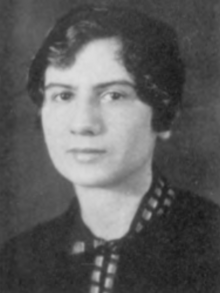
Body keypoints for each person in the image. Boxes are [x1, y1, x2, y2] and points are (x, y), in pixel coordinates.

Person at [0, 4, 220, 293]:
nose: (83, 124)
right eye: (63, 95)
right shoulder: (16, 260)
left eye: (113, 95)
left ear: (164, 116)